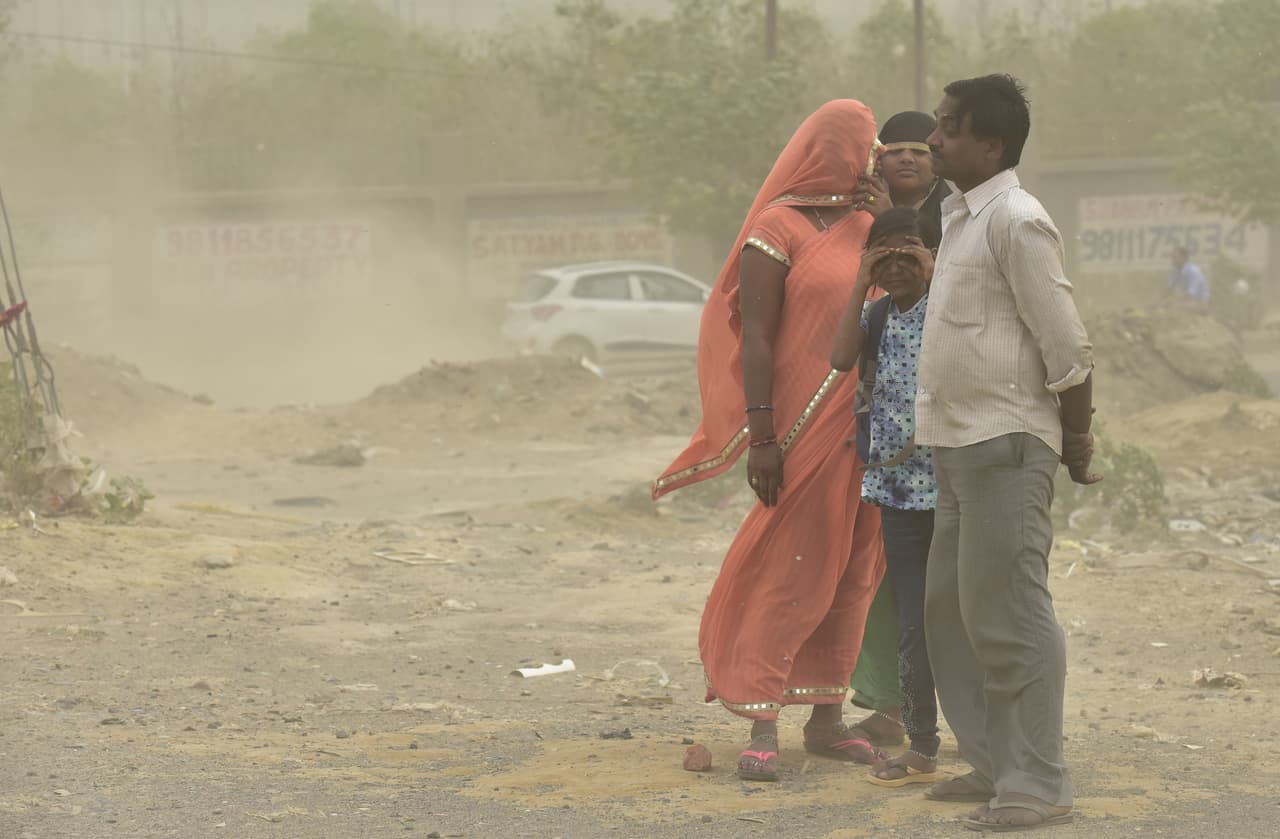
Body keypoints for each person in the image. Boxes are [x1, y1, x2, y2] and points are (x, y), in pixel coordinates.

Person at [652, 100, 886, 782]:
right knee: (790, 566)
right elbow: (754, 337)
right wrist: (761, 437)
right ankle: (762, 720)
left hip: (868, 430)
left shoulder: (873, 225)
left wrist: (891, 212)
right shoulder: (775, 227)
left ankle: (826, 719)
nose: (872, 155)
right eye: (865, 144)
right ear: (831, 149)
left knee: (852, 571)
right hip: (797, 429)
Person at [917, 74, 1099, 831]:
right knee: (953, 613)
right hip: (955, 446)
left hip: (1007, 444)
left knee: (1011, 612)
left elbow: (1068, 348)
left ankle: (1037, 781)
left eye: (949, 127)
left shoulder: (1017, 221)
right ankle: (994, 762)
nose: (934, 139)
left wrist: (1076, 439)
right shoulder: (959, 217)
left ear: (990, 144)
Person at [844, 110, 952, 756]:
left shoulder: (958, 220)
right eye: (895, 150)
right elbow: (843, 349)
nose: (907, 159)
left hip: (948, 465)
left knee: (952, 597)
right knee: (893, 593)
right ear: (877, 159)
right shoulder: (856, 226)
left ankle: (966, 723)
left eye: (920, 149)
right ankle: (899, 712)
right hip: (888, 466)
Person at [831, 207, 946, 789]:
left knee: (964, 612)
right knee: (911, 618)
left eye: (909, 253)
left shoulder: (950, 308)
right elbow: (838, 359)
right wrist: (861, 281)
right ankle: (922, 741)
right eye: (884, 256)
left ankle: (988, 737)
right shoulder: (876, 314)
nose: (896, 266)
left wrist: (936, 273)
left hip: (955, 484)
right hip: (899, 490)